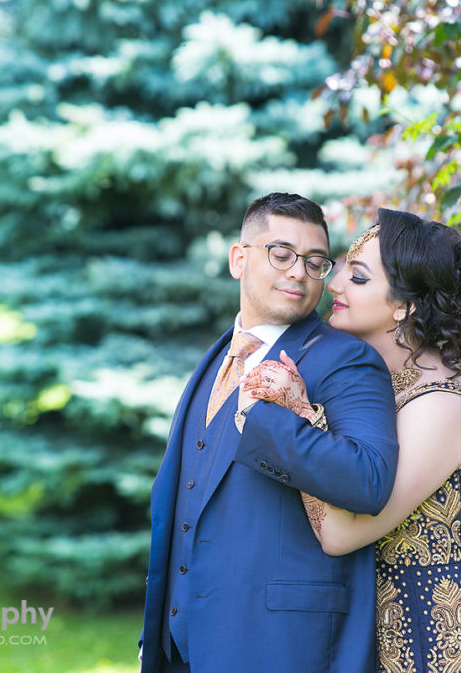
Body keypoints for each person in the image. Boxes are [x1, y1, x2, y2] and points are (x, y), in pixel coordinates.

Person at [244, 208, 461, 672]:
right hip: (399, 638)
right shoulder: (390, 388)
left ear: (404, 306)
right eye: (342, 269)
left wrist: (299, 417)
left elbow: (340, 534)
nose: (335, 284)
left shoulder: (438, 407)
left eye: (357, 278)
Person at [139, 193, 401, 672]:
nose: (299, 272)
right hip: (180, 647)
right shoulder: (218, 354)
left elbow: (368, 480)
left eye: (315, 261)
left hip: (281, 646)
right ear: (240, 259)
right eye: (281, 254)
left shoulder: (347, 359)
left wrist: (275, 417)